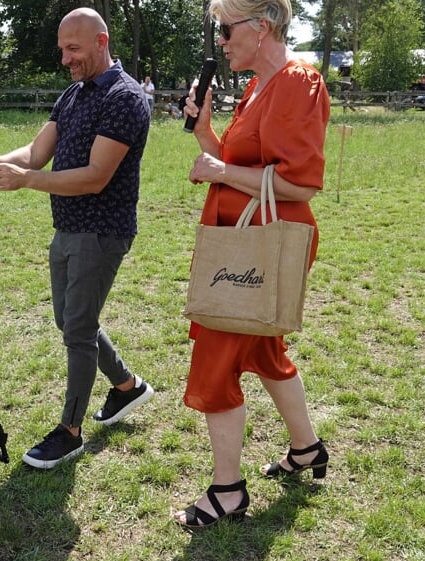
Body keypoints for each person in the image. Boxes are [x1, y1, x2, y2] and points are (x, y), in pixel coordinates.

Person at [0, 7, 154, 470]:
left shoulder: (124, 98)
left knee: (78, 330)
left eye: (74, 48)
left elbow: (95, 177)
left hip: (101, 230)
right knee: (70, 320)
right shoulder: (73, 95)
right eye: (62, 49)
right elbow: (35, 151)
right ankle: (128, 386)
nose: (66, 58)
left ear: (101, 41)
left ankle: (69, 430)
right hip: (67, 227)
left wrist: (27, 180)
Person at [173, 0, 330, 528]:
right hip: (244, 247)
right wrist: (204, 130)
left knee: (216, 361)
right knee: (265, 348)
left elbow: (301, 183)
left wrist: (219, 169)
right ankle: (306, 449)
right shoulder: (258, 87)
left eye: (225, 29)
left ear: (261, 27)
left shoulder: (295, 82)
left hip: (261, 249)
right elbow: (234, 163)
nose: (220, 40)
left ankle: (228, 491)